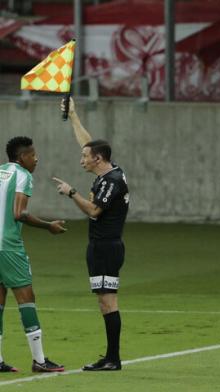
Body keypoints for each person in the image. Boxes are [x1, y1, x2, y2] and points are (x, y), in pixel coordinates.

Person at [53, 98, 129, 371]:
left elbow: (94, 211)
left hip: (106, 247)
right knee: (104, 301)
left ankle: (113, 359)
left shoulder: (111, 181)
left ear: (98, 159)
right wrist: (73, 116)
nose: (81, 159)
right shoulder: (109, 169)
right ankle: (110, 357)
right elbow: (87, 143)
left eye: (85, 157)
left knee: (108, 301)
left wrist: (71, 192)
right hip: (101, 246)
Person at [0, 136, 66, 372]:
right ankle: (39, 360)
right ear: (21, 157)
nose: (36, 159)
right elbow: (19, 213)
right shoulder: (23, 176)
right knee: (27, 299)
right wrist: (49, 226)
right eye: (32, 154)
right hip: (8, 247)